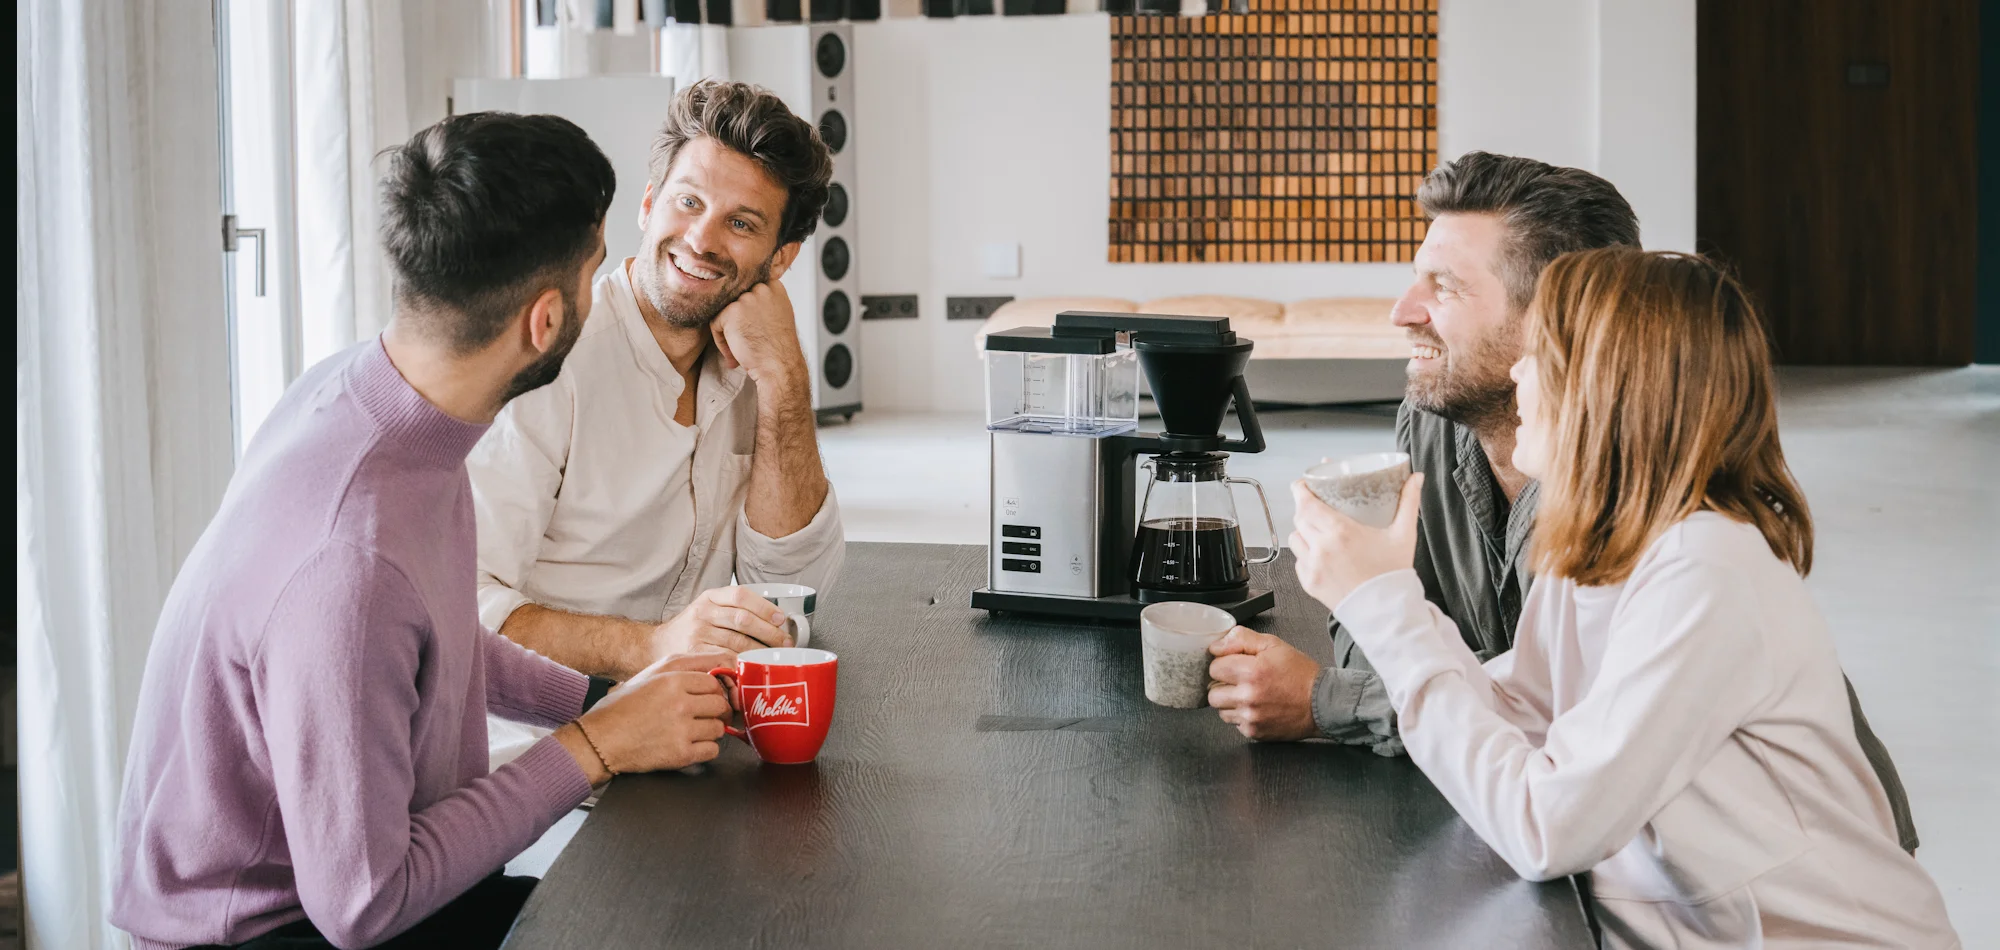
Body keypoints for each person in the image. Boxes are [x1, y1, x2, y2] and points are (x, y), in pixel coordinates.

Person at [112, 113, 733, 950]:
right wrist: (596, 745)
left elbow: (434, 640)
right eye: (595, 270)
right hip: (267, 928)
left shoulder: (371, 398)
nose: (605, 288)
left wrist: (596, 702)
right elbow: (363, 904)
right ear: (545, 322)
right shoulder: (351, 562)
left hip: (338, 891)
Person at [1203, 151, 1920, 853]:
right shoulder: (1438, 428)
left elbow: (1548, 789)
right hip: (1648, 873)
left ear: (1571, 328)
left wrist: (1352, 659)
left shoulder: (1679, 549)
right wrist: (1371, 623)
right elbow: (1517, 706)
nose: (1401, 312)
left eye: (1444, 287)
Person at [1283, 248, 1958, 947]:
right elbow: (1517, 713)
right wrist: (1385, 587)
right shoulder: (1599, 548)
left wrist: (1382, 601)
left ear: (1605, 389)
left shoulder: (1705, 570)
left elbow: (1544, 829)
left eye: (1537, 354)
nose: (1517, 372)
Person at [467, 80, 844, 717]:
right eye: (688, 200)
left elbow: (793, 593)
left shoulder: (757, 359)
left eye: (741, 223)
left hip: (680, 743)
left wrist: (783, 380)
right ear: (647, 204)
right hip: (535, 748)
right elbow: (459, 610)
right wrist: (653, 646)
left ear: (781, 259)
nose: (701, 239)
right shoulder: (547, 360)